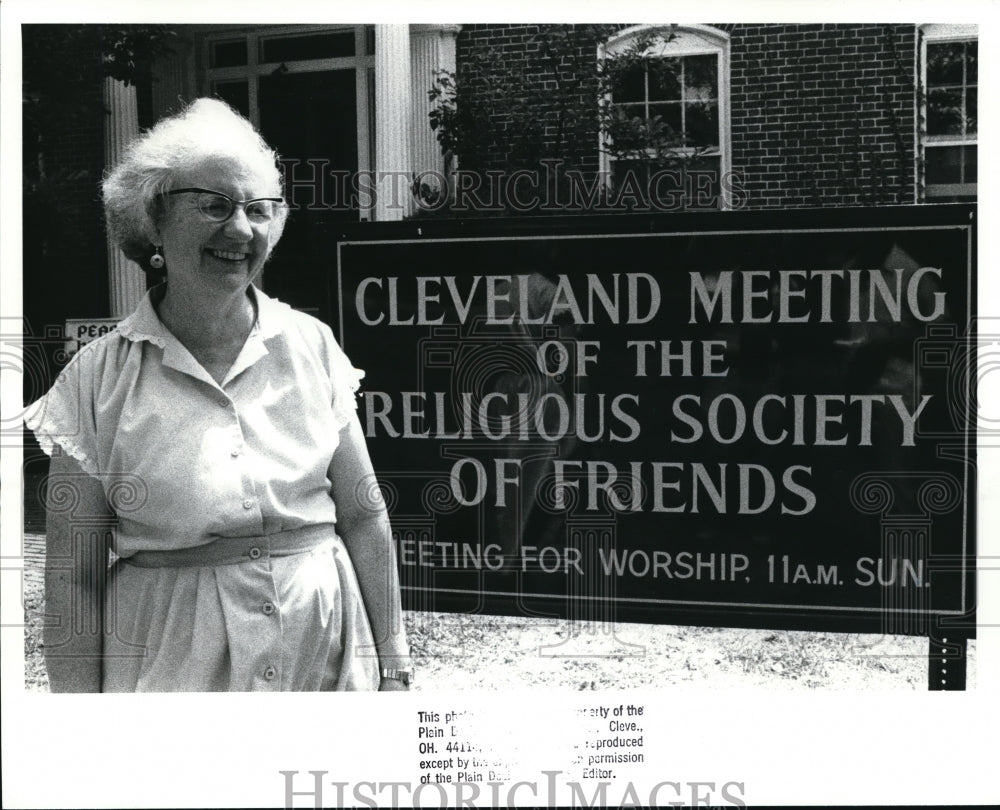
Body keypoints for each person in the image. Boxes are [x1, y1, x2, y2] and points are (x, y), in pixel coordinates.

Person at [25, 98, 411, 692]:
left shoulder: (312, 346)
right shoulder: (95, 381)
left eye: (259, 209)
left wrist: (395, 665)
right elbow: (73, 578)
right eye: (213, 205)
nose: (240, 230)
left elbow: (363, 516)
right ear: (153, 220)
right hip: (172, 668)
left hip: (326, 659)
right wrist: (85, 729)